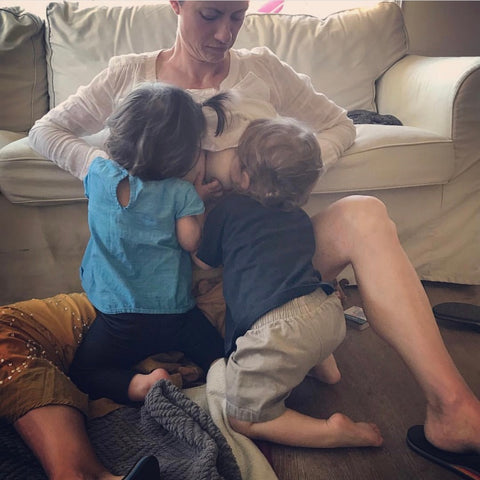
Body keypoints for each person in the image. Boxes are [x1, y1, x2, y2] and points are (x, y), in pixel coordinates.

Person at [0, 0, 477, 479]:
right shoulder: (131, 75)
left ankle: (454, 410)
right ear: (177, 4)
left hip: (260, 275)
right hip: (156, 294)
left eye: (237, 16)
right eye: (211, 15)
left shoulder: (262, 69)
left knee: (365, 214)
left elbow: (339, 125)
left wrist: (280, 177)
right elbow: (47, 130)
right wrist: (109, 174)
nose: (225, 34)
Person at [193, 117, 383, 448]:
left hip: (275, 330)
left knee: (242, 419)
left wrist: (197, 205)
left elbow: (203, 260)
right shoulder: (299, 218)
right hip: (326, 312)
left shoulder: (229, 208)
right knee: (302, 323)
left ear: (244, 176)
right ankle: (327, 371)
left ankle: (331, 431)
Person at [68, 83, 228, 405]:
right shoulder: (180, 192)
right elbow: (191, 241)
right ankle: (221, 382)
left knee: (84, 372)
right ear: (185, 154)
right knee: (220, 354)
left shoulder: (97, 173)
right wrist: (195, 200)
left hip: (116, 316)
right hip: (175, 316)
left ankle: (142, 384)